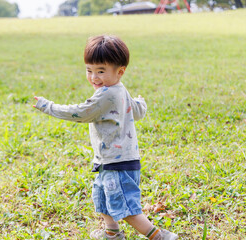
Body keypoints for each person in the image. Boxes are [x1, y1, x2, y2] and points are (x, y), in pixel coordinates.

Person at [33, 35, 178, 240]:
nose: (94, 77)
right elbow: (136, 111)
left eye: (101, 71)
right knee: (101, 197)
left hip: (117, 161)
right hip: (109, 159)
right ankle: (112, 232)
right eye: (89, 70)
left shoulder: (105, 95)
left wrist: (48, 106)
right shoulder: (119, 89)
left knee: (125, 207)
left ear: (119, 72)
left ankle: (159, 236)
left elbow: (81, 112)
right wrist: (141, 103)